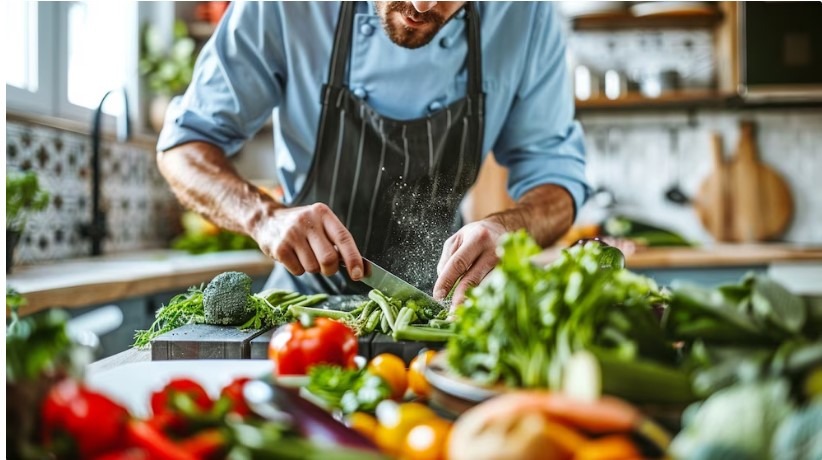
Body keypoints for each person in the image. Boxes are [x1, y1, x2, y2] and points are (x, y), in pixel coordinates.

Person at [157, 1, 589, 307]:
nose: (424, 4)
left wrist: (511, 229)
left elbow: (557, 179)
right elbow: (183, 146)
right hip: (302, 306)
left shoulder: (526, 14)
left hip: (442, 306)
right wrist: (262, 217)